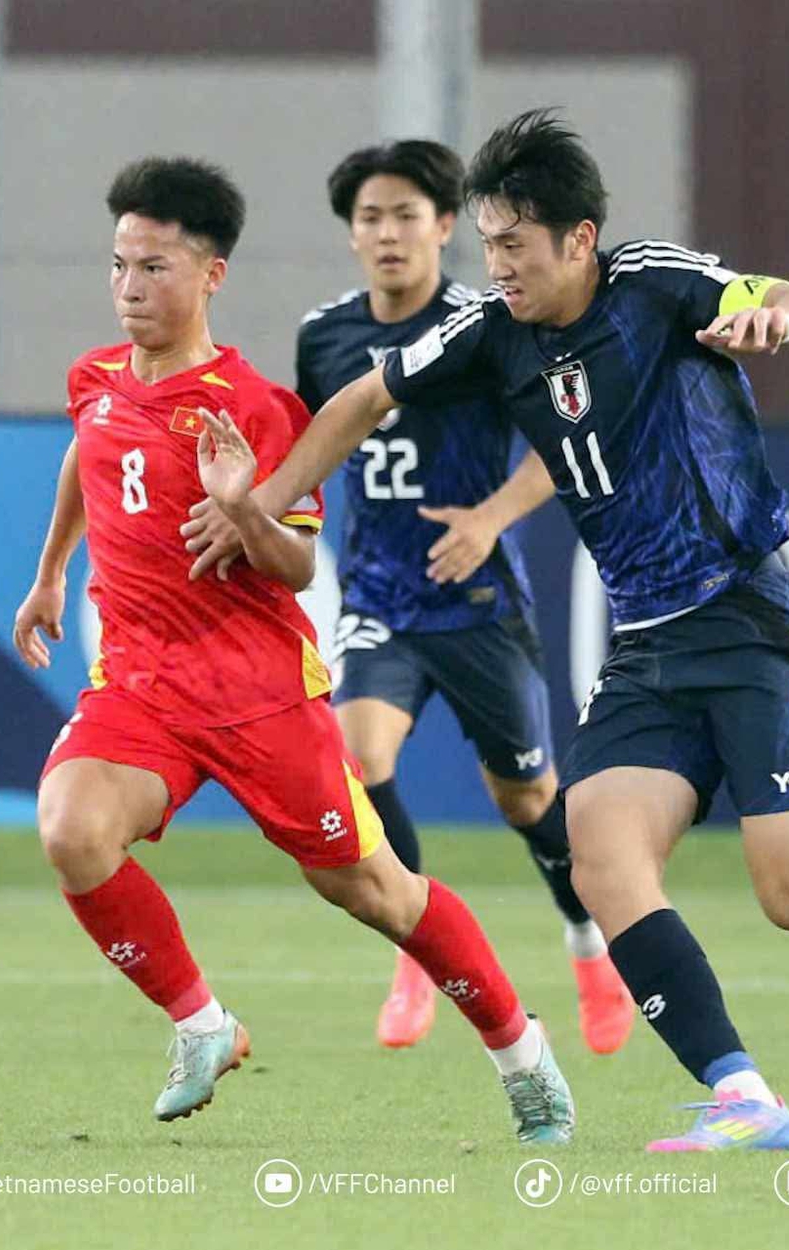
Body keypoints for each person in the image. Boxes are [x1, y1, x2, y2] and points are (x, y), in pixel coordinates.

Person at [186, 109, 789, 1152]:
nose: (496, 266)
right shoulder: (491, 330)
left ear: (579, 239)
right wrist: (259, 504)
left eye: (515, 244)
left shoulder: (651, 281)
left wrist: (777, 325)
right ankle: (744, 1095)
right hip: (645, 642)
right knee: (599, 855)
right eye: (488, 244)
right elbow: (361, 398)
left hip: (745, 617)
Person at [11, 155, 575, 1144]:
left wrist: (241, 507)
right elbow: (86, 449)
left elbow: (296, 563)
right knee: (70, 828)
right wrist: (52, 568)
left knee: (377, 892)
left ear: (211, 275)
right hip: (140, 688)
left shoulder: (253, 407)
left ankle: (518, 1048)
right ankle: (201, 1023)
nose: (130, 287)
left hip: (258, 695)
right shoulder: (93, 381)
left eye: (154, 267)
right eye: (119, 265)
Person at [293, 139, 631, 1054]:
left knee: (527, 799)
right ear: (352, 234)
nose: (388, 233)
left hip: (478, 600)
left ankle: (587, 943)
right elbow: (310, 442)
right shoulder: (324, 337)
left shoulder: (491, 324)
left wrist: (488, 518)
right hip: (379, 597)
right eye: (370, 217)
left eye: (406, 215)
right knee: (356, 758)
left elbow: (562, 444)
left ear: (445, 227)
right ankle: (418, 944)